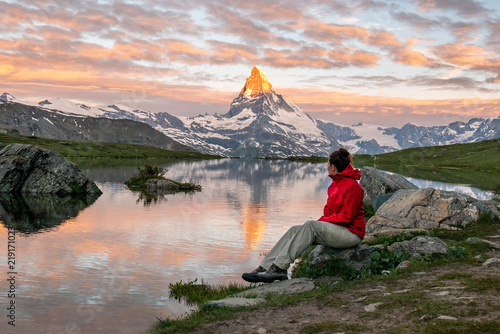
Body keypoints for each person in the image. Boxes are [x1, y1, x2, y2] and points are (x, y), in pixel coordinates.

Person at [242, 148, 365, 283]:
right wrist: (323, 222)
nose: (327, 167)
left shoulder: (353, 187)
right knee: (295, 229)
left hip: (351, 234)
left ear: (333, 167)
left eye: (328, 165)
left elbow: (346, 217)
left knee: (310, 225)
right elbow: (329, 212)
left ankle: (279, 268)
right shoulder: (335, 185)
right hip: (338, 230)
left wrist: (322, 222)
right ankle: (265, 267)